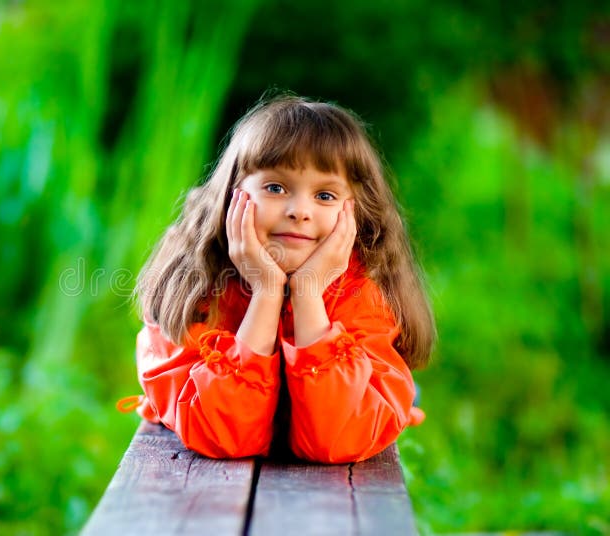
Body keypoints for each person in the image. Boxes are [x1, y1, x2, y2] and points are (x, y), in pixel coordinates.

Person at [119, 94, 436, 463]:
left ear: (356, 211)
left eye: (325, 195)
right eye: (275, 188)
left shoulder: (365, 290)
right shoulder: (195, 288)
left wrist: (308, 294)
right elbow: (223, 435)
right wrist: (267, 292)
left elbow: (337, 440)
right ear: (232, 194)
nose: (299, 211)